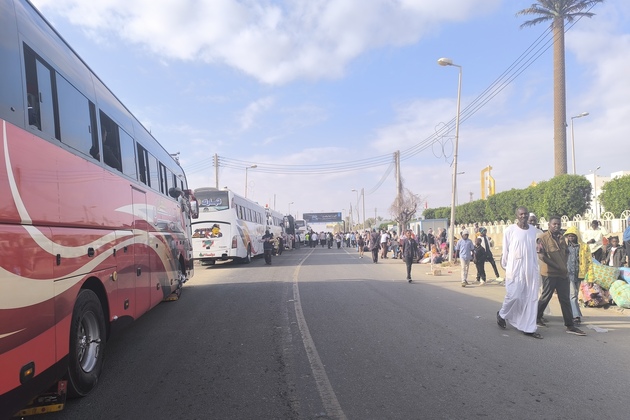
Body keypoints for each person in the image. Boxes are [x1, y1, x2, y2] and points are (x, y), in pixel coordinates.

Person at [496, 206, 543, 339]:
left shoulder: (534, 231)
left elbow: (540, 248)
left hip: (530, 269)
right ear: (517, 216)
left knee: (530, 298)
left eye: (525, 214)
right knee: (514, 295)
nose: (524, 216)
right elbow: (505, 251)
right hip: (515, 268)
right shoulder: (510, 230)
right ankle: (502, 314)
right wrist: (506, 267)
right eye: (521, 214)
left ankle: (528, 327)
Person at [536, 216, 586, 336]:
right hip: (549, 274)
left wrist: (563, 266)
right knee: (546, 297)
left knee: (565, 299)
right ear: (549, 225)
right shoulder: (542, 238)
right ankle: (536, 317)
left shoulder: (562, 238)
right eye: (554, 224)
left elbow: (566, 253)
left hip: (563, 274)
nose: (557, 226)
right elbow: (542, 256)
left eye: (558, 224)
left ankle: (570, 325)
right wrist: (557, 266)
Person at [564, 226, 592, 325]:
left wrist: (591, 278)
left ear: (577, 236)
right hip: (568, 274)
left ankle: (572, 314)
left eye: (573, 236)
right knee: (573, 295)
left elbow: (589, 262)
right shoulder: (565, 247)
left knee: (574, 294)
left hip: (579, 274)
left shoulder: (584, 247)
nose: (571, 238)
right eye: (569, 236)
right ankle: (576, 315)